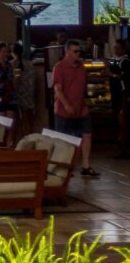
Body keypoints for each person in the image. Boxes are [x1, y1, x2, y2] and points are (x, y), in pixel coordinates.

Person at [52, 39, 98, 177]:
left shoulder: (82, 68)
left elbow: (83, 88)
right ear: (67, 52)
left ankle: (86, 165)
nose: (78, 54)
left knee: (86, 135)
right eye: (75, 51)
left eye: (79, 51)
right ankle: (63, 167)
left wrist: (86, 102)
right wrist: (66, 104)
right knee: (63, 139)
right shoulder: (59, 68)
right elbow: (58, 89)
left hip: (81, 108)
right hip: (63, 110)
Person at [12, 42, 36, 139]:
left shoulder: (11, 65)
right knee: (29, 122)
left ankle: (17, 141)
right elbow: (33, 81)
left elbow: (12, 82)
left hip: (17, 96)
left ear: (13, 53)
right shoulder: (30, 65)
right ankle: (30, 139)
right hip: (29, 96)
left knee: (16, 122)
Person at [110, 39, 130, 158]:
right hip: (116, 95)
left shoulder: (126, 62)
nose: (116, 50)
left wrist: (110, 74)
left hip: (122, 95)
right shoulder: (116, 61)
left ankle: (124, 148)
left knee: (123, 121)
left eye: (118, 48)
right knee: (120, 120)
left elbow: (124, 78)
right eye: (115, 47)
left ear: (123, 49)